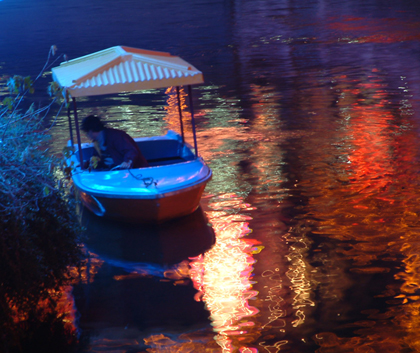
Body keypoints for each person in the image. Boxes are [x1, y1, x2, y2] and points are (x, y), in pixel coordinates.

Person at [81, 115, 149, 170]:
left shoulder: (116, 137)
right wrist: (87, 163)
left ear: (91, 130)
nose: (87, 135)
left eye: (87, 132)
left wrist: (127, 161)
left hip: (134, 171)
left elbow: (131, 150)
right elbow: (97, 158)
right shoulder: (97, 142)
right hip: (112, 171)